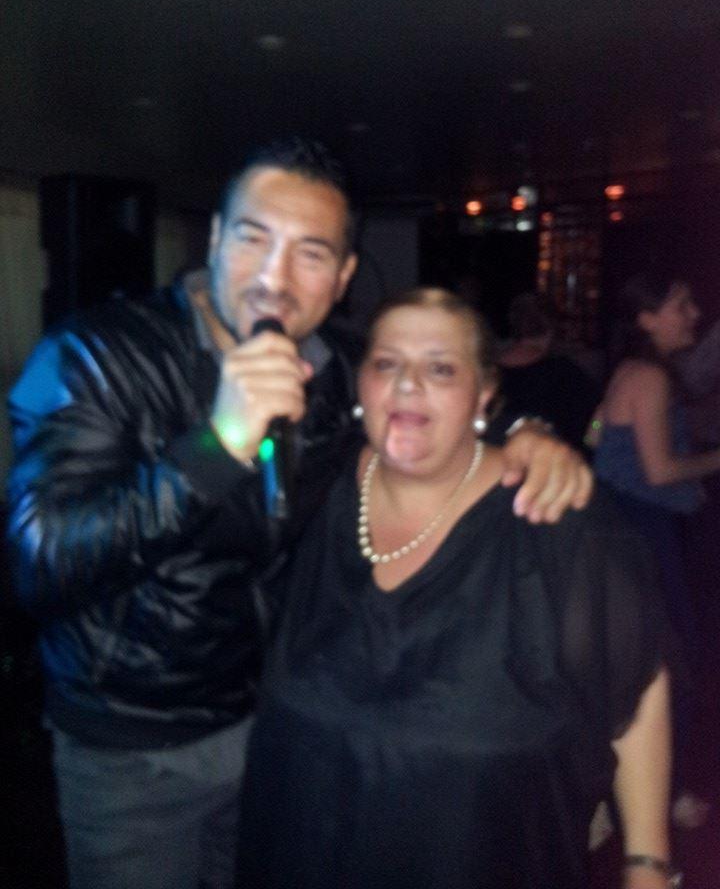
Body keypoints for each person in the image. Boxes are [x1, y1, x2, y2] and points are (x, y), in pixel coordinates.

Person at [6, 140, 592, 889]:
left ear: (343, 277)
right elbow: (40, 563)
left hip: (278, 729)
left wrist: (522, 431)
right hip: (133, 749)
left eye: (311, 254)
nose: (274, 279)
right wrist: (218, 444)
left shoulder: (338, 368)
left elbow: (427, 402)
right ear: (215, 241)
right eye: (254, 239)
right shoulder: (97, 355)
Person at [238, 287, 673, 889]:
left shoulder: (555, 517)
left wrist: (647, 863)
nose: (407, 384)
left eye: (440, 368)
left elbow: (635, 681)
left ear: (484, 393)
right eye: (386, 364)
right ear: (361, 386)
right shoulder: (310, 493)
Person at [592, 270, 720, 830]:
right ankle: (663, 797)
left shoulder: (628, 371)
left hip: (621, 529)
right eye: (681, 304)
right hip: (642, 534)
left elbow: (595, 439)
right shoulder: (648, 376)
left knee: (637, 665)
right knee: (672, 663)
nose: (694, 314)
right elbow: (661, 469)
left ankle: (624, 797)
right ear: (647, 319)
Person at [497, 292, 600, 451]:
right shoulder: (564, 373)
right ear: (551, 327)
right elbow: (596, 419)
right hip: (553, 460)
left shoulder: (488, 372)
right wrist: (590, 440)